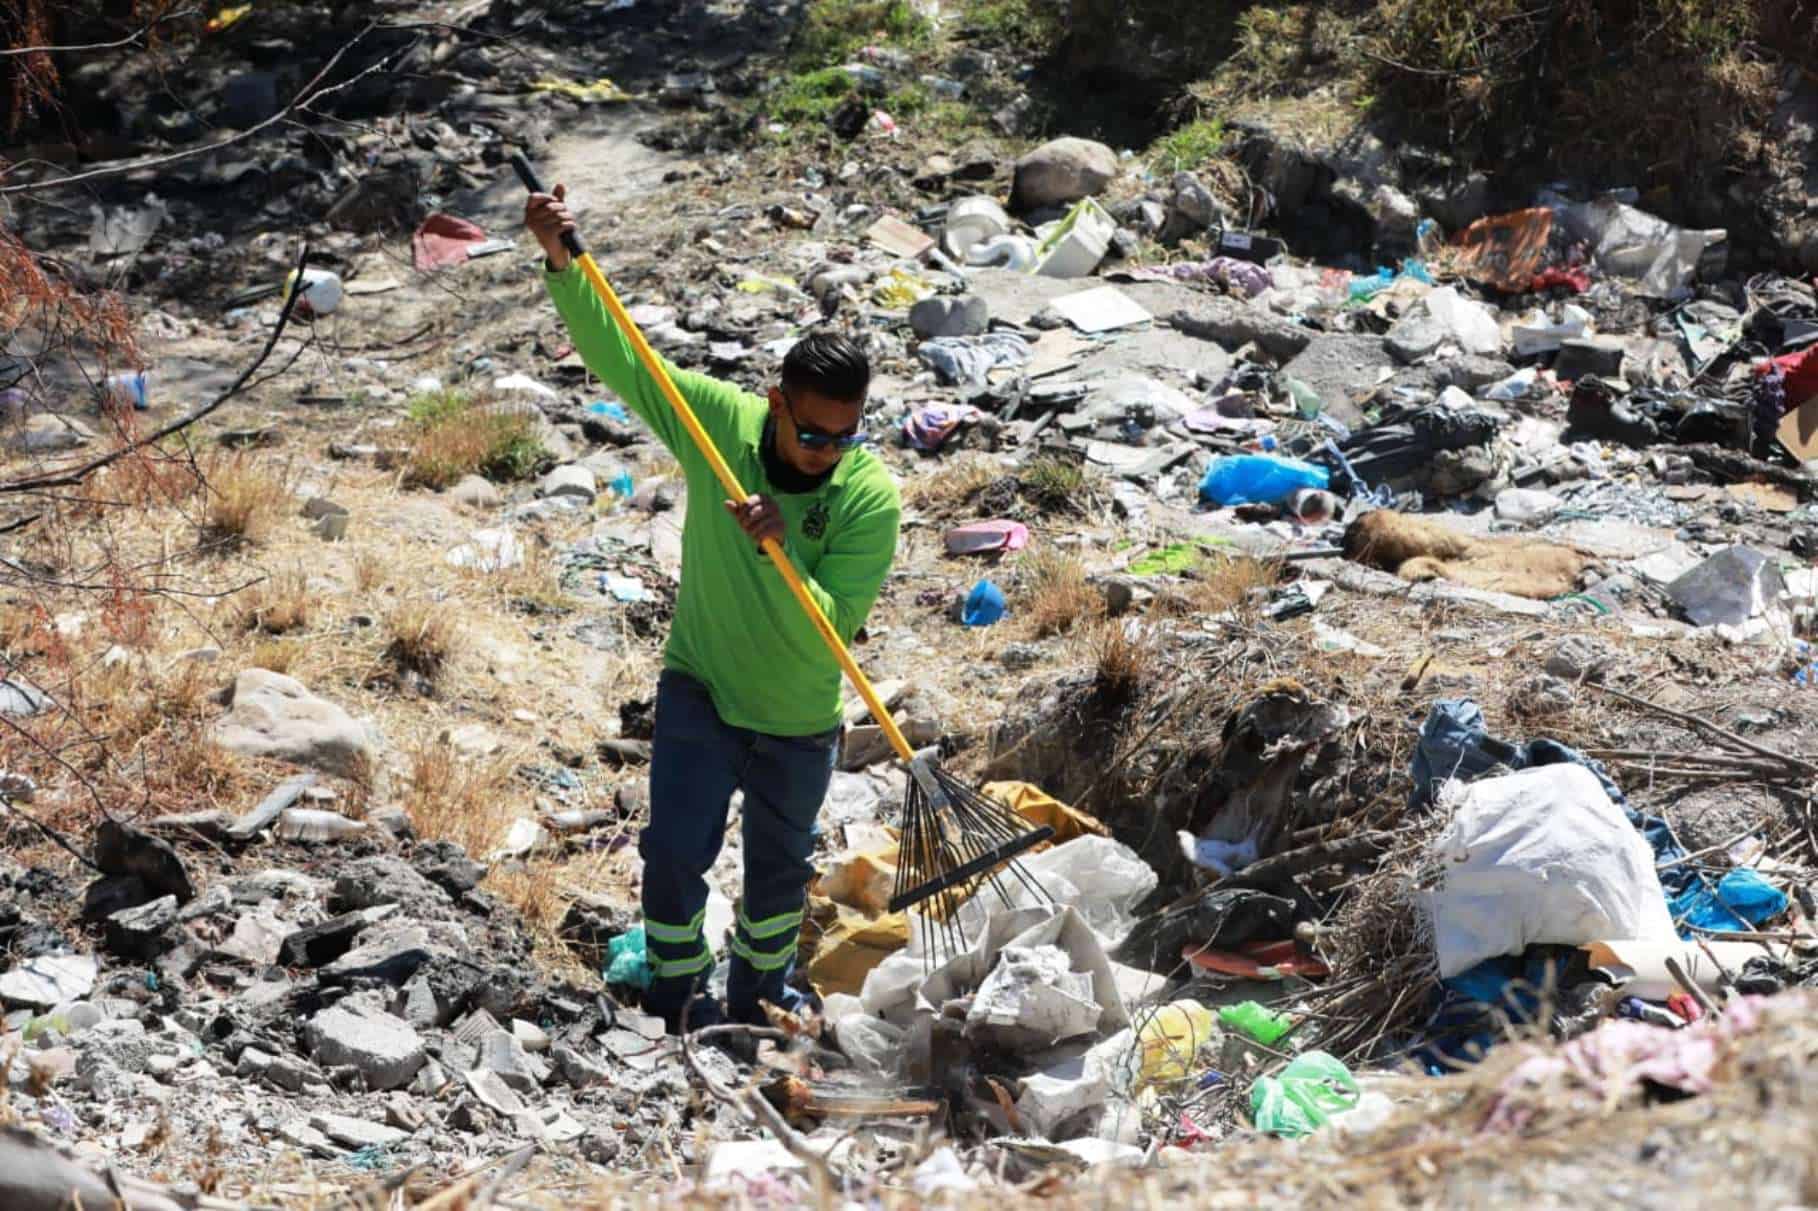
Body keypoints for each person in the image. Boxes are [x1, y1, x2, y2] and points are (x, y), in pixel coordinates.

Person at [526, 184, 902, 1033]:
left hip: (798, 717)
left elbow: (833, 626)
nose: (827, 451)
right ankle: (672, 996)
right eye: (813, 433)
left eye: (845, 435)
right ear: (777, 402)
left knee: (777, 878)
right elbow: (625, 359)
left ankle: (759, 997)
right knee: (672, 855)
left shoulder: (869, 495)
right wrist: (560, 261)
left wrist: (780, 550)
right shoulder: (719, 427)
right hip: (701, 684)